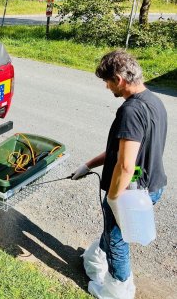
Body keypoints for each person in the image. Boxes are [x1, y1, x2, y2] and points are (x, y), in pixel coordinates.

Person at [72, 50, 167, 299]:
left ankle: (118, 290)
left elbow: (125, 166)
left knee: (117, 240)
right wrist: (89, 165)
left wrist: (114, 198)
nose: (106, 87)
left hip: (132, 191)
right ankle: (95, 259)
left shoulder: (130, 111)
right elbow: (121, 148)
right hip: (153, 184)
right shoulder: (154, 101)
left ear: (119, 79)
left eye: (107, 81)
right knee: (115, 232)